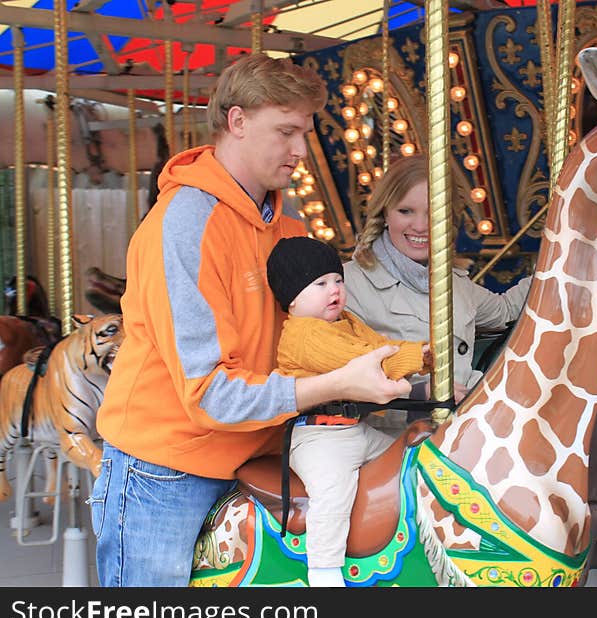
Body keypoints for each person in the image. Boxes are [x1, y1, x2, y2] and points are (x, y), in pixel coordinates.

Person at [91, 53, 412, 587]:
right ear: (236, 122)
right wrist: (333, 385)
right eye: (285, 131)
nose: (299, 151)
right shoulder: (184, 226)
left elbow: (316, 339)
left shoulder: (287, 227)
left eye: (304, 133)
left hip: (263, 456)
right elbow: (211, 392)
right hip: (167, 467)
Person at [266, 236, 431, 586]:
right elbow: (365, 363)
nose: (334, 290)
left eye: (338, 280)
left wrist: (421, 352)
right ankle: (324, 571)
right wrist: (420, 357)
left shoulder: (348, 321)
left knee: (406, 459)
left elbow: (381, 348)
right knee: (333, 490)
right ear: (292, 298)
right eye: (320, 284)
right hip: (317, 437)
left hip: (352, 429)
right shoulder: (305, 335)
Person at [343, 153, 531, 438]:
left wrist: (558, 263)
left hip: (463, 429)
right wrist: (419, 393)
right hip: (393, 440)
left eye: (434, 213)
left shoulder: (453, 283)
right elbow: (339, 376)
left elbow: (505, 310)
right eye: (406, 211)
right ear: (385, 213)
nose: (420, 226)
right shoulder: (350, 284)